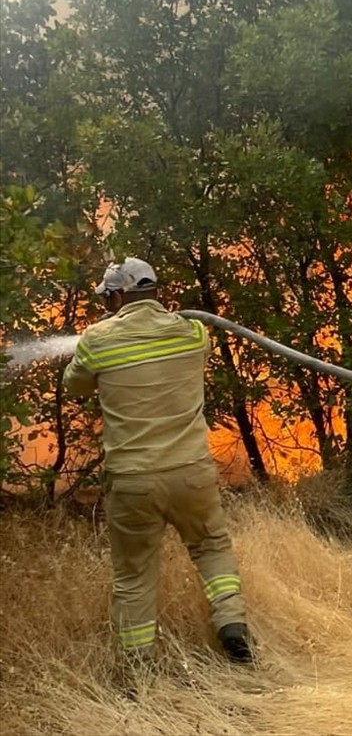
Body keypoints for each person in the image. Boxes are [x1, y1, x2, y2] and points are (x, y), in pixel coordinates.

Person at [64, 257, 253, 671]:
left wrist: (96, 344)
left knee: (133, 576)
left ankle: (137, 667)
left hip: (133, 481)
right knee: (211, 547)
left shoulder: (97, 340)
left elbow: (73, 383)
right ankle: (232, 623)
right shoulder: (192, 333)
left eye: (107, 298)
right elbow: (187, 337)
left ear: (117, 295)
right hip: (191, 473)